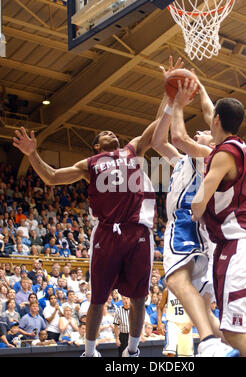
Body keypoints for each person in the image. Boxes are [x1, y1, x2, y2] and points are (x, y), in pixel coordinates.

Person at [13, 87, 164, 357]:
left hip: (136, 230)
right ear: (96, 146)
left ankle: (132, 350)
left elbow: (157, 126)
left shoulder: (132, 149)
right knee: (98, 299)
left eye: (113, 133)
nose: (111, 133)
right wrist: (31, 154)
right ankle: (90, 352)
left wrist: (169, 94)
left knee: (140, 297)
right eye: (105, 134)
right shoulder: (90, 164)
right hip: (107, 232)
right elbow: (52, 177)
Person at [151, 57, 236, 357]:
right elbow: (159, 141)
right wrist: (168, 96)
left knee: (175, 280)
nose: (199, 132)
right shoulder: (185, 161)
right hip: (201, 234)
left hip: (186, 223)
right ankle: (220, 347)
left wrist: (178, 102)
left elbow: (177, 136)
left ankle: (211, 344)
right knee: (198, 300)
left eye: (203, 130)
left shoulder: (208, 153)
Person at [182, 77, 246, 356]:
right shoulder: (233, 145)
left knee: (232, 331)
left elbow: (198, 205)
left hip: (238, 245)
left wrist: (186, 207)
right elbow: (210, 110)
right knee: (230, 332)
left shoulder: (223, 155)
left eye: (211, 119)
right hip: (231, 247)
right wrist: (200, 87)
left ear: (217, 122)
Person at [157, 288, 194, 357]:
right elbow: (160, 307)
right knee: (170, 352)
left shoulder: (191, 289)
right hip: (172, 323)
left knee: (186, 355)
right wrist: (159, 323)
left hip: (186, 324)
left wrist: (191, 324)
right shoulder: (167, 290)